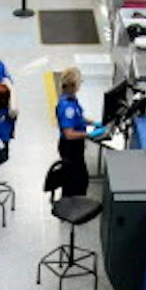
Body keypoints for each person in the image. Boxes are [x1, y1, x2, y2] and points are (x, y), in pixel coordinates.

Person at [53, 67, 95, 199]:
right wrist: (89, 135)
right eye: (79, 82)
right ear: (72, 85)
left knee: (80, 178)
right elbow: (69, 134)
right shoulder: (67, 108)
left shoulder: (72, 98)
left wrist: (93, 123)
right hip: (70, 148)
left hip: (76, 146)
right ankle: (71, 205)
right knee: (75, 180)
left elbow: (79, 117)